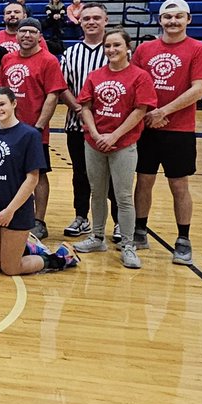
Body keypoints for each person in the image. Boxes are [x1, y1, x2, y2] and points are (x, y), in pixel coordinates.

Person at [131, 0, 202, 265]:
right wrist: (148, 114)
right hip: (146, 127)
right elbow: (135, 83)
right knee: (143, 181)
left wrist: (163, 112)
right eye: (168, 17)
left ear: (188, 19)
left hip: (179, 130)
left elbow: (198, 90)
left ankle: (183, 239)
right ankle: (139, 230)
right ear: (160, 20)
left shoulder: (199, 49)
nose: (173, 22)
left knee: (179, 185)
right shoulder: (145, 49)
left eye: (179, 17)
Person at [73, 28, 158, 270]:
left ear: (127, 47)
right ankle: (97, 237)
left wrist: (115, 135)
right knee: (96, 192)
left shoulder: (140, 76)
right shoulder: (95, 76)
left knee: (123, 196)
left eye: (116, 45)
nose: (111, 50)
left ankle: (128, 245)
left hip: (123, 144)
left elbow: (140, 111)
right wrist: (97, 134)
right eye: (108, 46)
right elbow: (85, 107)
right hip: (95, 142)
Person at [0, 88, 77, 275]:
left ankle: (58, 258)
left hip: (15, 210)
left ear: (13, 104)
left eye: (2, 104)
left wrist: (10, 210)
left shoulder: (29, 135)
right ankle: (27, 247)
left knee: (10, 269)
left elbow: (33, 178)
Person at [0, 17, 67, 240]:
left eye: (32, 32)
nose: (26, 35)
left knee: (38, 175)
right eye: (23, 31)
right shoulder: (7, 58)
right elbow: (0, 91)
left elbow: (53, 95)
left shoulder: (48, 60)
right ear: (17, 35)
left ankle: (39, 220)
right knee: (6, 171)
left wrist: (39, 126)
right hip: (7, 128)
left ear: (39, 36)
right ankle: (7, 212)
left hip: (34, 130)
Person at [56, 1, 113, 240]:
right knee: (80, 173)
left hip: (111, 127)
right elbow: (61, 86)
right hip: (76, 125)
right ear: (80, 21)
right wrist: (79, 109)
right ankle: (81, 217)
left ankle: (119, 222)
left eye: (96, 18)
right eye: (86, 18)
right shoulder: (70, 53)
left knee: (112, 176)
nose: (91, 22)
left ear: (105, 21)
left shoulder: (115, 49)